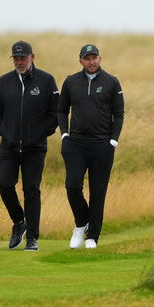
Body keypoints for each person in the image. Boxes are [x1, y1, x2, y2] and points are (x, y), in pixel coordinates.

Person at [0, 41, 59, 251]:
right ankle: (20, 222)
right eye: (16, 58)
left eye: (23, 58)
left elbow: (56, 112)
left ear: (32, 57)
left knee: (31, 190)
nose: (20, 62)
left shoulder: (46, 80)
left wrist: (41, 132)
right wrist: (3, 130)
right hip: (9, 146)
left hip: (35, 147)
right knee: (4, 184)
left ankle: (32, 238)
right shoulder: (4, 82)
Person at [58, 44, 124, 249]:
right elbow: (62, 110)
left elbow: (119, 114)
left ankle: (92, 236)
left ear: (100, 59)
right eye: (87, 58)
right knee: (73, 185)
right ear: (81, 62)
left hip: (102, 144)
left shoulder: (111, 82)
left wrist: (113, 140)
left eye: (94, 57)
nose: (92, 61)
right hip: (76, 143)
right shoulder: (71, 82)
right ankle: (81, 224)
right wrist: (65, 135)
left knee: (98, 191)